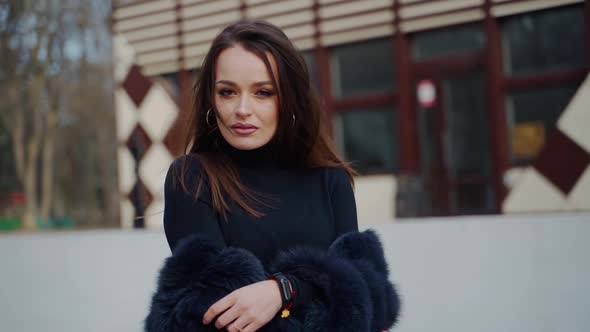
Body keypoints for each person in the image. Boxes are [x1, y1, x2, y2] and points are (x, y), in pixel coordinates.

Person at [145, 19, 399, 332]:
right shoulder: (192, 178)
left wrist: (283, 291)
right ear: (211, 100)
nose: (242, 109)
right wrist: (320, 293)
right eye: (227, 92)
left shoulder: (330, 180)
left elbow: (364, 298)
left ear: (289, 99)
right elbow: (217, 313)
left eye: (263, 92)